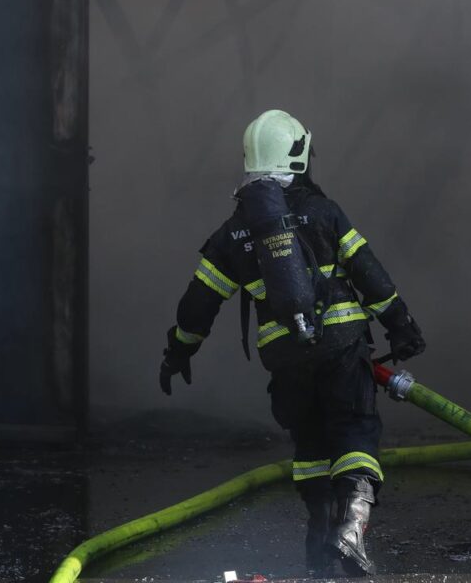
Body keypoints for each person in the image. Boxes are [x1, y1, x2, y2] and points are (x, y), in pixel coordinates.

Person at [158, 109, 426, 576]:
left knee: (311, 443)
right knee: (355, 431)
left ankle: (321, 538)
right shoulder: (324, 212)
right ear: (298, 155)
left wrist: (179, 351)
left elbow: (198, 305)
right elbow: (371, 276)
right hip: (342, 346)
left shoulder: (233, 233)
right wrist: (400, 325)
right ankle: (352, 528)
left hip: (286, 359)